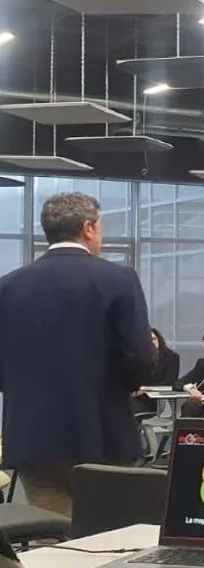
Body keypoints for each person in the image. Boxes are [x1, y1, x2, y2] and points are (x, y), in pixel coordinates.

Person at [0, 192, 155, 515]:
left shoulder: (8, 287)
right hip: (102, 433)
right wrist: (124, 386)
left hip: (33, 439)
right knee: (108, 532)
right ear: (88, 228)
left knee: (49, 531)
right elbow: (140, 357)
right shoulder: (118, 280)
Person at [131, 327, 181, 415]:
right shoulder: (138, 357)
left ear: (159, 340)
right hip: (134, 396)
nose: (151, 342)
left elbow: (169, 382)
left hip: (154, 399)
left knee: (127, 411)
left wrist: (144, 390)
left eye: (153, 339)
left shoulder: (171, 357)